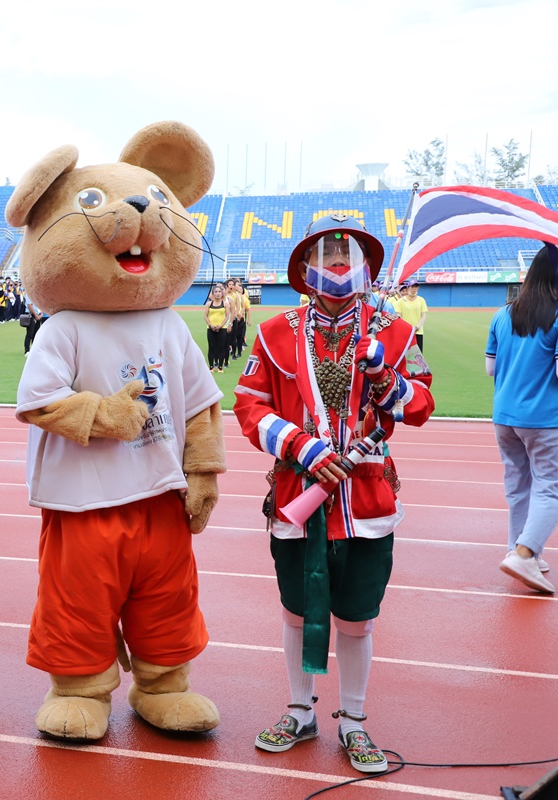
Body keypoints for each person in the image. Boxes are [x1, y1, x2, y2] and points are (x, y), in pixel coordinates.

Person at [233, 214, 435, 775]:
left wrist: (384, 379)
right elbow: (249, 405)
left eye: (347, 251)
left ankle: (354, 721)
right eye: (326, 252)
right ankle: (300, 712)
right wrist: (300, 446)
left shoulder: (394, 331)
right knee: (297, 610)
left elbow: (419, 406)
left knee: (357, 617)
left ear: (368, 264)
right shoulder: (274, 332)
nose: (338, 262)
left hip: (366, 500)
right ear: (305, 267)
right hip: (299, 493)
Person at [487, 243, 558, 594]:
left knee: (518, 487)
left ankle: (520, 548)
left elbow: (490, 368)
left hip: (504, 415)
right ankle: (525, 553)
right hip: (544, 418)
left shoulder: (503, 314)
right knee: (550, 486)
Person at [392, 279, 427, 351]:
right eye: (412, 287)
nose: (414, 289)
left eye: (416, 287)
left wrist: (418, 326)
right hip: (405, 331)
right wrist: (406, 327)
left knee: (418, 354)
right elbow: (398, 315)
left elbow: (423, 315)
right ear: (408, 288)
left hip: (418, 331)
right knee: (404, 353)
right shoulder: (401, 301)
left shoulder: (421, 300)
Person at [204, 283, 230, 372]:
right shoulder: (209, 304)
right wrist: (210, 325)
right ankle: (211, 366)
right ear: (213, 293)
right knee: (211, 347)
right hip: (210, 328)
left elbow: (227, 316)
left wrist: (221, 325)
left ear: (222, 293)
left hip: (222, 328)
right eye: (216, 292)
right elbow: (205, 316)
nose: (218, 293)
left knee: (221, 347)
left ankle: (220, 367)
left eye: (219, 291)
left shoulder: (225, 304)